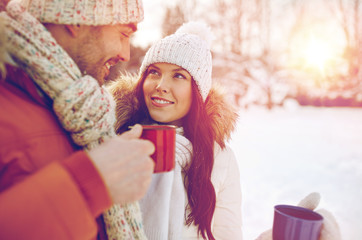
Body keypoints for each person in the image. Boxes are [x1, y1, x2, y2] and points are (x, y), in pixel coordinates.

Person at [0, 0, 155, 239]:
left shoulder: (82, 110)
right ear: (76, 20)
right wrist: (89, 184)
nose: (125, 54)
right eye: (123, 34)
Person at [109, 22, 243, 239]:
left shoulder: (220, 159)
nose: (160, 85)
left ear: (198, 91)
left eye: (178, 75)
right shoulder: (115, 140)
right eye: (153, 72)